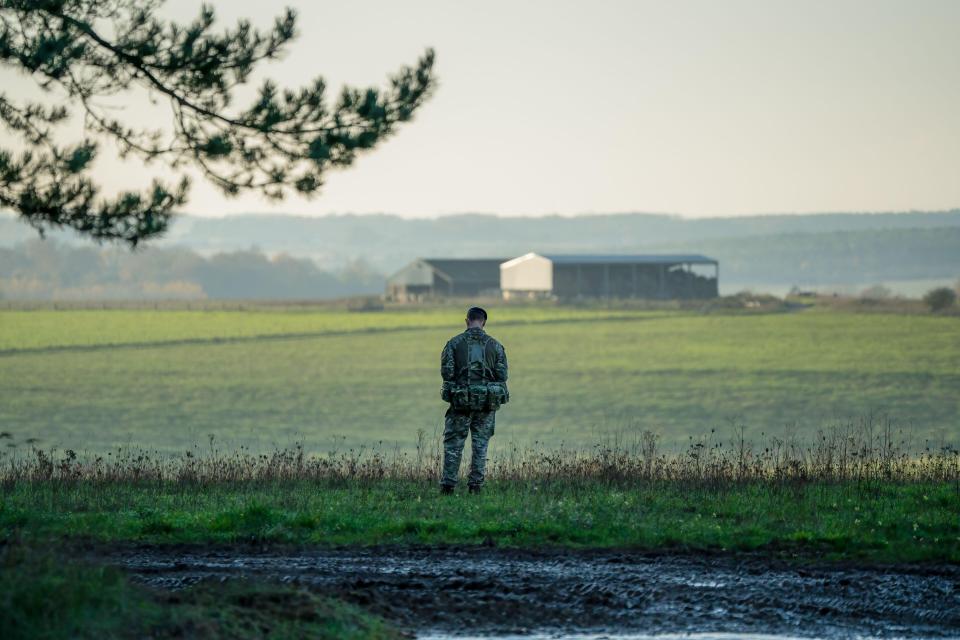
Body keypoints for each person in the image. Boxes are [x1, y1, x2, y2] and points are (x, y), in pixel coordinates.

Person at [439, 306, 509, 494]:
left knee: (454, 445)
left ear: (467, 321)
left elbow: (447, 373)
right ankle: (475, 486)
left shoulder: (453, 344)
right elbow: (502, 375)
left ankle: (448, 486)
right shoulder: (496, 346)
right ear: (484, 322)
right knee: (480, 445)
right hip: (486, 404)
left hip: (460, 403)